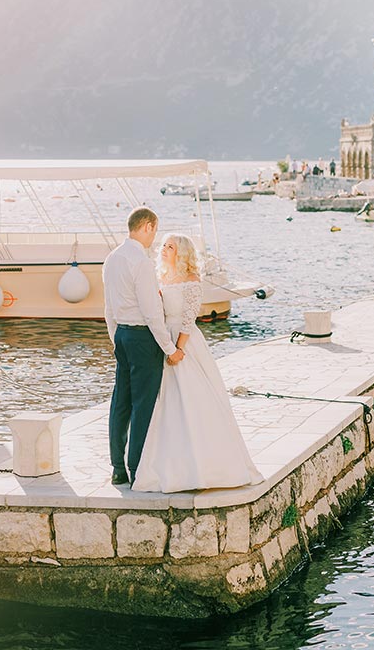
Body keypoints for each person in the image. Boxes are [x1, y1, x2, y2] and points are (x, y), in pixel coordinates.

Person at [132, 234, 264, 493]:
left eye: (170, 247)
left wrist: (178, 349)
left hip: (184, 343)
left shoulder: (191, 281)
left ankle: (207, 466)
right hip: (163, 341)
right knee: (166, 402)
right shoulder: (162, 279)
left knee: (192, 398)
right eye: (164, 246)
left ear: (181, 253)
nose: (163, 250)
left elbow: (189, 318)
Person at [103, 207, 182, 486]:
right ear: (147, 226)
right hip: (142, 337)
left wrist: (116, 340)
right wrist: (170, 348)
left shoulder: (111, 259)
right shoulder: (141, 261)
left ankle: (117, 468)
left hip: (122, 335)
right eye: (155, 231)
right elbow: (151, 312)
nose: (154, 238)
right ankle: (137, 469)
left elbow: (108, 308)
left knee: (120, 403)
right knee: (142, 404)